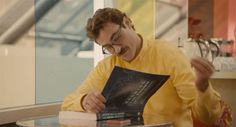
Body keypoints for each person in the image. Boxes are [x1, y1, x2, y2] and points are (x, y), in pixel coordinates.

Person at [62, 8, 222, 127]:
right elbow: (67, 104)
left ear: (128, 23)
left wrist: (202, 87)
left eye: (116, 38)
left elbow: (207, 117)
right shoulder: (107, 67)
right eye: (109, 47)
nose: (116, 50)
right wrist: (84, 101)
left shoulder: (169, 55)